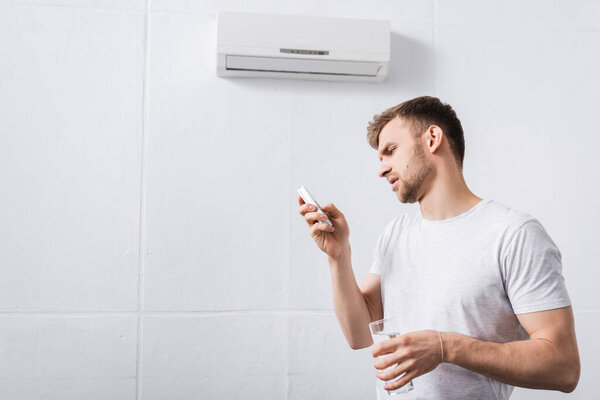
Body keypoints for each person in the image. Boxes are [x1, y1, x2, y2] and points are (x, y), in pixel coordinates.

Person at [297, 96, 580, 399]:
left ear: (432, 139)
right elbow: (359, 334)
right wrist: (338, 256)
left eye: (391, 151)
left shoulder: (514, 235)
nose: (381, 169)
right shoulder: (396, 233)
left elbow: (563, 368)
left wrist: (447, 347)